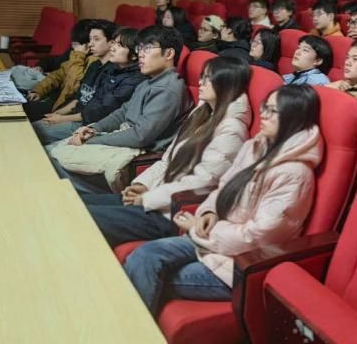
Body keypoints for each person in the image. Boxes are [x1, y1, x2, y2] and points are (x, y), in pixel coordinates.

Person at [123, 84, 323, 315]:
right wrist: (209, 212)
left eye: (272, 111)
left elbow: (260, 235)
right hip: (213, 242)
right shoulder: (255, 146)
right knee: (143, 257)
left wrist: (200, 230)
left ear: (294, 118)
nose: (264, 115)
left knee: (146, 271)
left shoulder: (294, 174)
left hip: (238, 265)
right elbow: (223, 187)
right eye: (264, 108)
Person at [83, 56, 251, 247]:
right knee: (78, 203)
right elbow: (168, 159)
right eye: (201, 77)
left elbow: (202, 182)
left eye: (208, 78)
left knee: (83, 216)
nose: (200, 82)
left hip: (169, 214)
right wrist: (142, 185)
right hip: (153, 198)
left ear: (227, 84)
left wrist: (146, 199)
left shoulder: (231, 130)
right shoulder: (201, 114)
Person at [50, 26, 191, 193]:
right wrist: (95, 128)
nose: (140, 54)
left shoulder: (167, 89)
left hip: (137, 153)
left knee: (50, 162)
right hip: (122, 140)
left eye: (147, 48)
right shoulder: (150, 81)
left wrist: (94, 140)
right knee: (50, 152)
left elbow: (140, 136)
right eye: (139, 48)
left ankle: (90, 201)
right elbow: (123, 112)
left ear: (168, 53)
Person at [33, 26, 145, 145]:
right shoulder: (111, 69)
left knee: (34, 133)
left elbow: (101, 111)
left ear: (134, 55)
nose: (112, 48)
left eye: (119, 45)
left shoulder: (134, 79)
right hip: (80, 117)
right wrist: (59, 114)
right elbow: (83, 98)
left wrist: (62, 118)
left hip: (91, 124)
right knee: (33, 127)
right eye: (114, 43)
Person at [24, 20, 116, 122]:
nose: (91, 44)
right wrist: (38, 90)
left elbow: (75, 86)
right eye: (91, 39)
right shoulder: (78, 55)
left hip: (69, 107)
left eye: (76, 44)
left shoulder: (93, 60)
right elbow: (57, 75)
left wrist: (79, 56)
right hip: (60, 102)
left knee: (28, 115)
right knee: (24, 107)